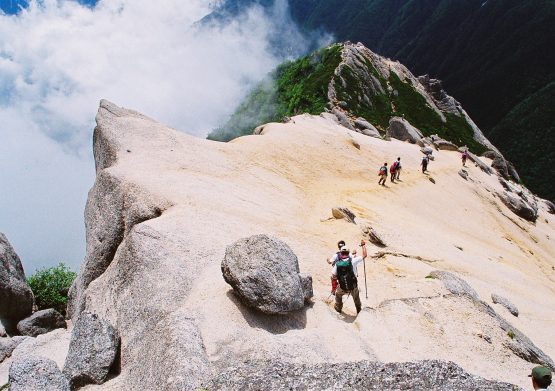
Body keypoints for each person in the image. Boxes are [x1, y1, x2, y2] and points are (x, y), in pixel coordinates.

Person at [332, 240, 367, 314]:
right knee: (356, 297)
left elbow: (333, 276)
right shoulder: (353, 261)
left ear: (340, 253)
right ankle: (358, 309)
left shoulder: (337, 264)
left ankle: (338, 307)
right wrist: (363, 245)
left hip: (342, 285)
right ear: (348, 253)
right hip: (353, 285)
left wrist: (338, 280)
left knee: (338, 294)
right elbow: (364, 255)